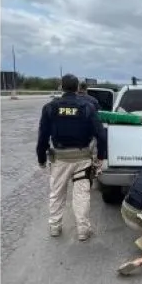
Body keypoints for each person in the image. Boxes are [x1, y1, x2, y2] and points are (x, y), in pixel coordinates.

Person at [37, 73, 107, 241]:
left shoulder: (50, 108)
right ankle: (83, 230)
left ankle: (55, 227)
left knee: (57, 193)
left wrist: (41, 158)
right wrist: (101, 158)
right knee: (81, 195)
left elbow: (43, 136)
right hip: (82, 159)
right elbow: (101, 135)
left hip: (59, 159)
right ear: (77, 88)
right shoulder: (88, 107)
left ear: (61, 87)